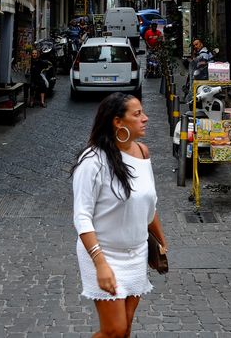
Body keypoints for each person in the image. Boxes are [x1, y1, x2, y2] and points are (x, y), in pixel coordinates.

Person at [71, 93, 167, 337]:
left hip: (136, 254)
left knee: (125, 328)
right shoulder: (92, 161)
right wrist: (100, 264)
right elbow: (82, 217)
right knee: (115, 330)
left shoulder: (143, 153)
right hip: (103, 255)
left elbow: (150, 206)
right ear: (118, 122)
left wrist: (162, 243)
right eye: (137, 114)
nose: (145, 119)